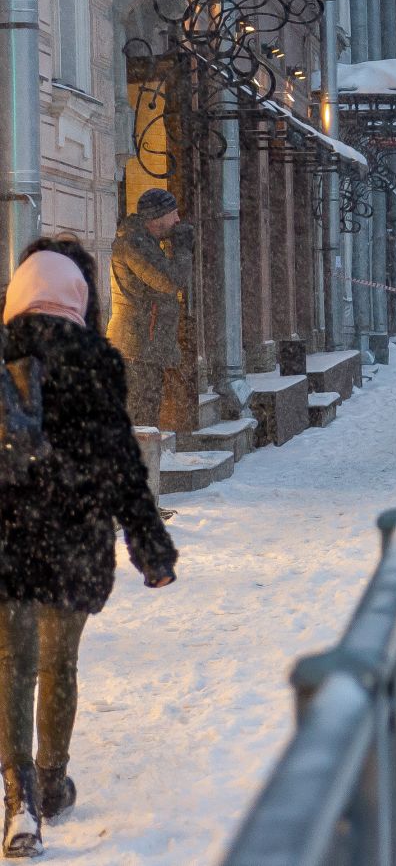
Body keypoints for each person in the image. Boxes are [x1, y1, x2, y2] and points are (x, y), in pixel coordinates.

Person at [1, 240, 177, 855]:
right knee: (58, 664)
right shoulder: (94, 362)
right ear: (79, 298)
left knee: (11, 665)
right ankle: (51, 783)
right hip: (73, 539)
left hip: (7, 541)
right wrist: (150, 548)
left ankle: (19, 801)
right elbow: (121, 464)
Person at [107, 189, 194, 433]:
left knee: (146, 419)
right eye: (173, 213)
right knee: (141, 422)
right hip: (136, 348)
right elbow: (170, 280)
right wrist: (183, 249)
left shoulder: (147, 243)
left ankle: (144, 467)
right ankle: (140, 469)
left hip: (145, 347)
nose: (178, 220)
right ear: (158, 217)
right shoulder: (134, 244)